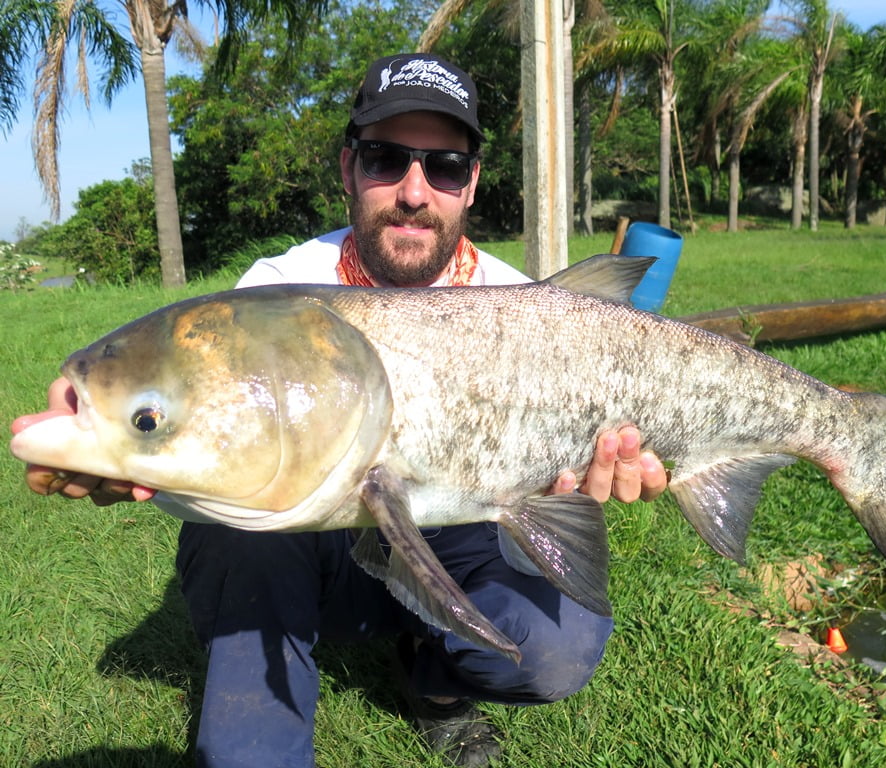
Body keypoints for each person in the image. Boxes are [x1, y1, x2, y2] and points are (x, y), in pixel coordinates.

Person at [13, 53, 667, 768]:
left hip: (457, 526)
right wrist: (124, 430)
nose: (414, 191)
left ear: (471, 183)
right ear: (350, 167)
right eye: (386, 159)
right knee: (236, 565)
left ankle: (434, 680)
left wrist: (580, 489)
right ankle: (262, 727)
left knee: (558, 646)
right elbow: (195, 409)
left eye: (445, 167)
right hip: (307, 549)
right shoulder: (277, 290)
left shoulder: (525, 305)